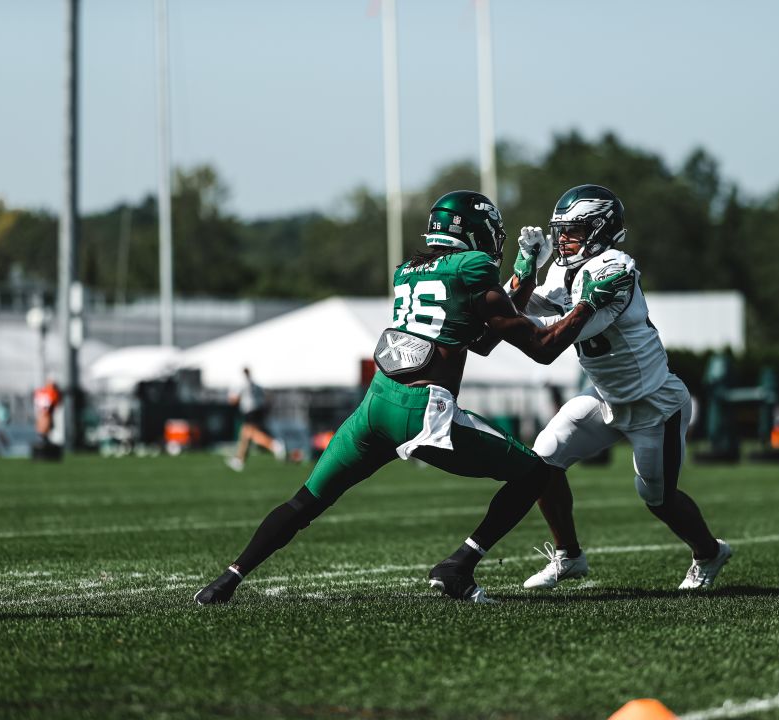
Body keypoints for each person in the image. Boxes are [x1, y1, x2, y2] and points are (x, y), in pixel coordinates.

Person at [194, 190, 633, 605]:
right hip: (422, 411)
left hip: (374, 406)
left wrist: (521, 278)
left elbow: (481, 340)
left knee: (306, 500)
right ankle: (460, 564)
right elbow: (540, 348)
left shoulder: (407, 270)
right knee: (536, 475)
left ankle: (226, 581)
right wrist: (587, 306)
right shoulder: (472, 266)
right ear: (475, 232)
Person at [481, 184, 731, 592]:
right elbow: (521, 308)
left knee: (658, 497)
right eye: (560, 230)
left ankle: (709, 551)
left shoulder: (615, 268)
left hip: (653, 404)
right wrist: (523, 271)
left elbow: (553, 338)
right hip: (605, 398)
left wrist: (506, 320)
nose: (562, 239)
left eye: (572, 230)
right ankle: (569, 557)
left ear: (601, 229)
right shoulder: (568, 269)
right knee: (541, 462)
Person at [225, 367, 286, 471]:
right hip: (258, 410)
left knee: (252, 434)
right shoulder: (255, 384)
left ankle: (274, 445)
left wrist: (230, 398)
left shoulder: (243, 384)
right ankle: (239, 460)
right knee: (245, 434)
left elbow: (234, 400)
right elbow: (266, 397)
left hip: (250, 411)